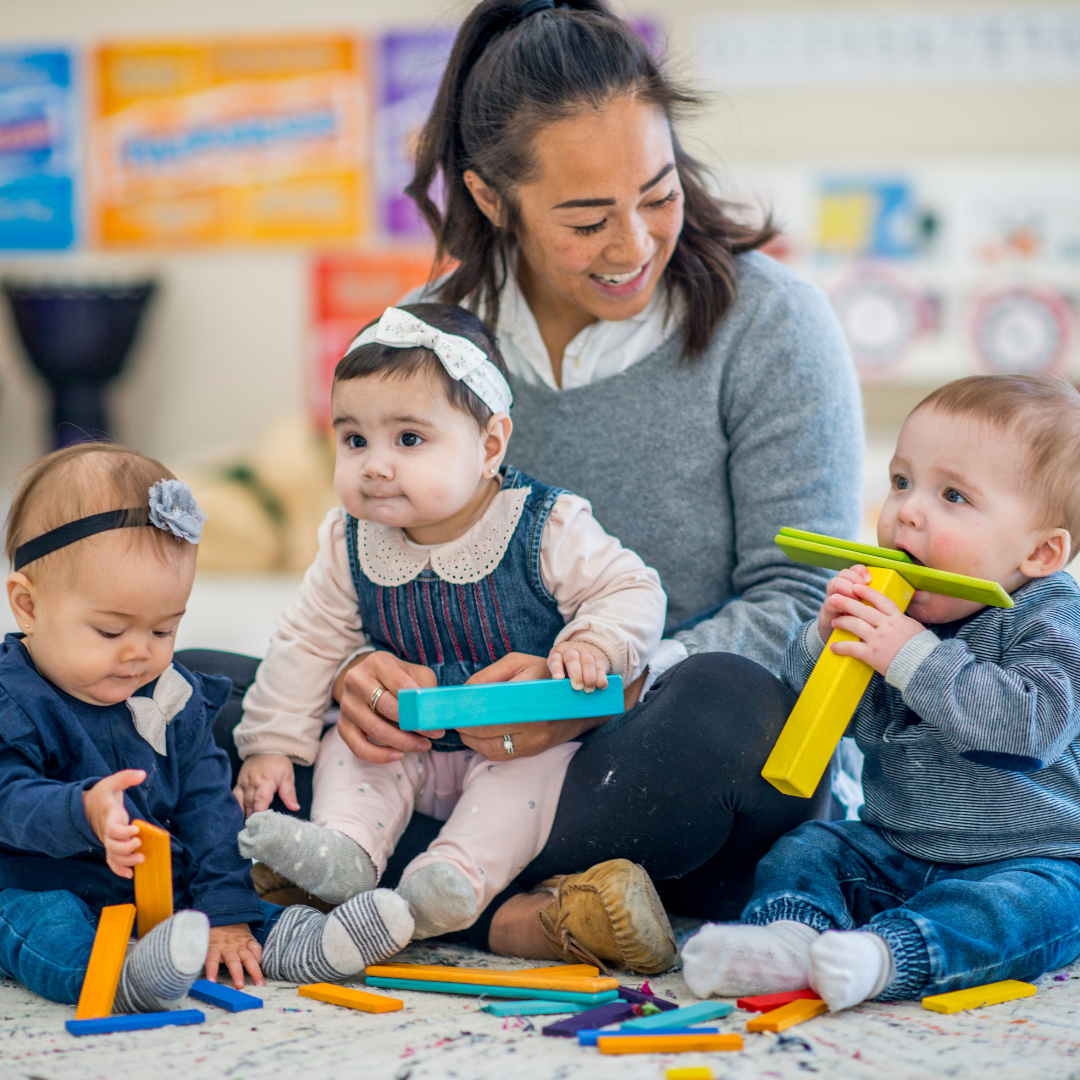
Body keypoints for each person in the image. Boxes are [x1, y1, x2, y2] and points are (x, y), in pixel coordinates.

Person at [186, 0, 862, 964]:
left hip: (642, 754)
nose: (633, 244)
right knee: (193, 698)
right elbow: (362, 567)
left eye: (659, 194)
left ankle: (408, 889)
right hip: (442, 755)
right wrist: (354, 679)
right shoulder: (425, 344)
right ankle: (525, 913)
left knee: (731, 714)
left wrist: (592, 691)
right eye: (587, 220)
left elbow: (804, 602)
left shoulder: (774, 325)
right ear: (493, 198)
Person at [230, 303, 674, 970]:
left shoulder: (544, 525)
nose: (375, 466)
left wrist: (596, 641)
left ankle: (454, 880)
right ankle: (343, 854)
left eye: (408, 440)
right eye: (354, 441)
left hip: (513, 744)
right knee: (343, 753)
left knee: (523, 786)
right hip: (399, 739)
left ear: (490, 444)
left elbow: (632, 589)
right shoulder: (348, 540)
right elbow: (306, 642)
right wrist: (269, 745)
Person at [681, 375, 1080, 1010]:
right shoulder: (901, 615)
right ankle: (788, 938)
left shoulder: (1050, 618)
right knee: (813, 847)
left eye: (953, 495)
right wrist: (826, 640)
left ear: (1041, 551)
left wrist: (911, 655)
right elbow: (835, 721)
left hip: (1027, 859)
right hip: (895, 847)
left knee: (1033, 911)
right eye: (901, 482)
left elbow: (1031, 728)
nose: (906, 512)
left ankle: (889, 958)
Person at [0, 444, 416, 1008]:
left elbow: (208, 808)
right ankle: (121, 976)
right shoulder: (13, 698)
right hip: (37, 881)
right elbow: (10, 801)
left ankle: (305, 940)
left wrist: (225, 915)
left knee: (223, 905)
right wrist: (82, 811)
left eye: (163, 630)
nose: (137, 656)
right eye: (109, 631)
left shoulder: (172, 696)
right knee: (43, 924)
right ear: (27, 605)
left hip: (153, 888)